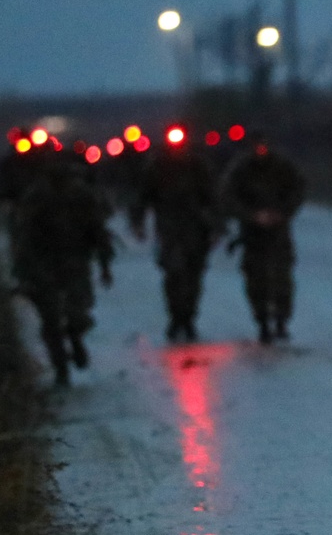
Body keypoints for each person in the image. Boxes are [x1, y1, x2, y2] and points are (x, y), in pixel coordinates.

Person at [16, 152, 114, 386]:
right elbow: (24, 235)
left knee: (77, 313)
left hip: (75, 260)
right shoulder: (36, 197)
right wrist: (24, 270)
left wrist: (104, 264)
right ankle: (60, 367)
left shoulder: (82, 195)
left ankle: (75, 337)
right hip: (44, 264)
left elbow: (97, 230)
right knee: (50, 319)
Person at [130, 125, 223, 343]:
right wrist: (138, 222)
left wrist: (217, 226)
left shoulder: (198, 165)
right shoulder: (157, 166)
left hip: (196, 228)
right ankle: (175, 317)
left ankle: (188, 317)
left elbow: (212, 196)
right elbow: (143, 195)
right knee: (173, 274)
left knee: (194, 275)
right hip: (169, 228)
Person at [221, 133, 306, 344]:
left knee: (281, 276)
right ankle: (262, 321)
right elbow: (228, 195)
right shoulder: (241, 169)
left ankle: (281, 319)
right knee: (256, 278)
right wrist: (251, 216)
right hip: (252, 233)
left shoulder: (282, 166)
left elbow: (298, 189)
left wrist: (282, 212)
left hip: (278, 231)